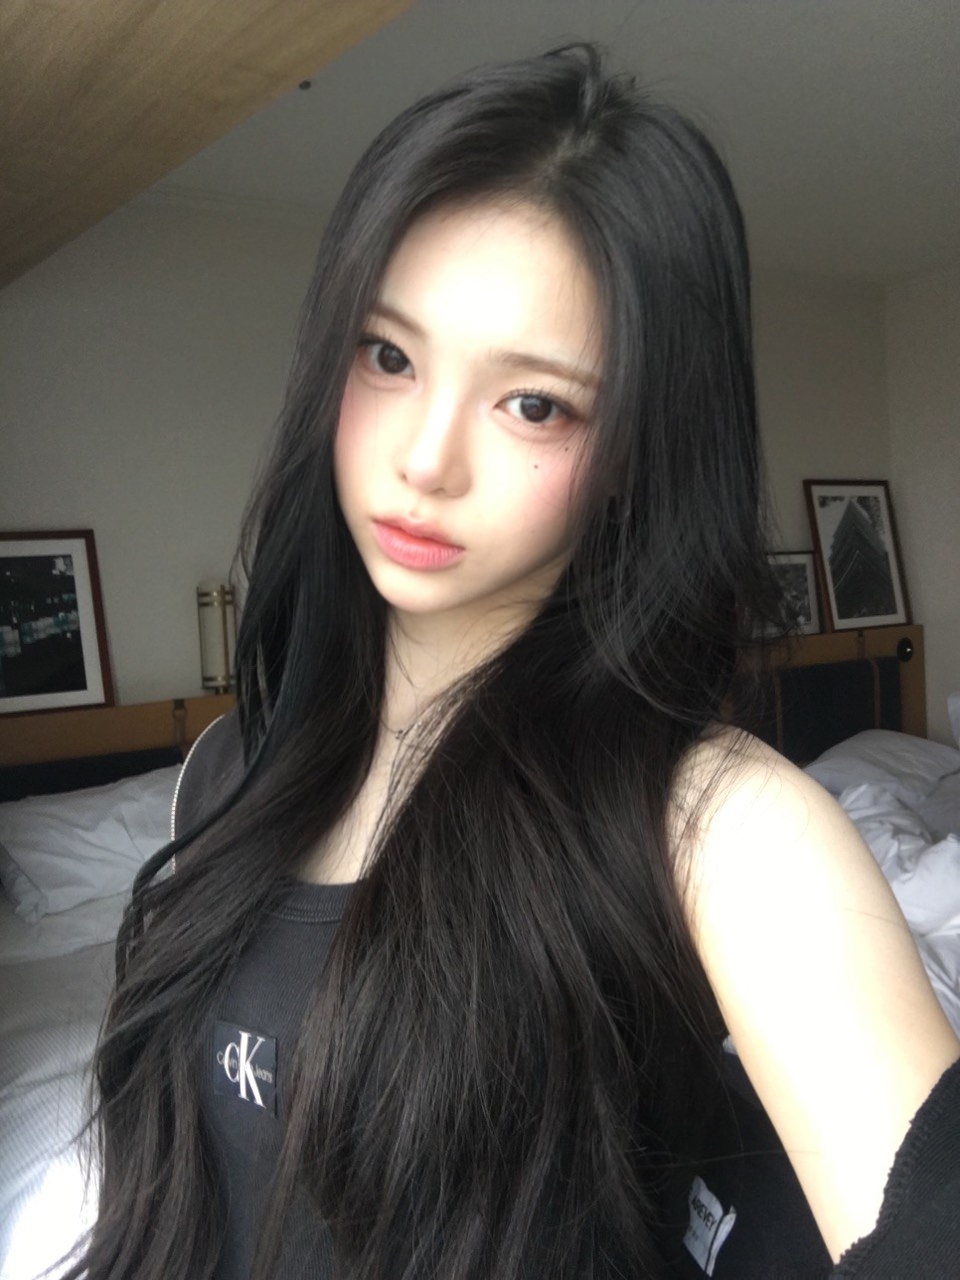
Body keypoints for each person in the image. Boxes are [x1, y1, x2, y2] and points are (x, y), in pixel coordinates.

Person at [67, 45, 960, 1280]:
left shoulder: (718, 824)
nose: (425, 458)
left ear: (638, 449)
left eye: (534, 402)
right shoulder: (225, 774)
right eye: (388, 355)